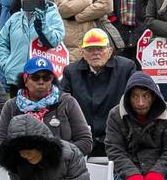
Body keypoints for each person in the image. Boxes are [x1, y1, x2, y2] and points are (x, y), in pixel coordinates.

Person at [0, 57, 92, 158]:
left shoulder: (67, 102)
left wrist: (52, 154)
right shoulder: (11, 106)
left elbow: (85, 142)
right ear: (25, 80)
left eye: (46, 78)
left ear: (52, 80)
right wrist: (24, 157)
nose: (41, 82)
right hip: (21, 169)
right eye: (35, 77)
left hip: (60, 168)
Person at [58, 28, 137, 157]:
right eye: (90, 49)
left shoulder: (126, 68)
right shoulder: (71, 72)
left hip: (118, 138)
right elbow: (62, 106)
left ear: (110, 51)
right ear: (82, 53)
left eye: (100, 49)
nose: (95, 53)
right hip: (82, 139)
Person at [0, 0, 65, 91]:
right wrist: (6, 64)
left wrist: (42, 24)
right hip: (17, 77)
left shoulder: (52, 15)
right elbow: (2, 42)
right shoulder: (14, 19)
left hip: (42, 78)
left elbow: (54, 41)